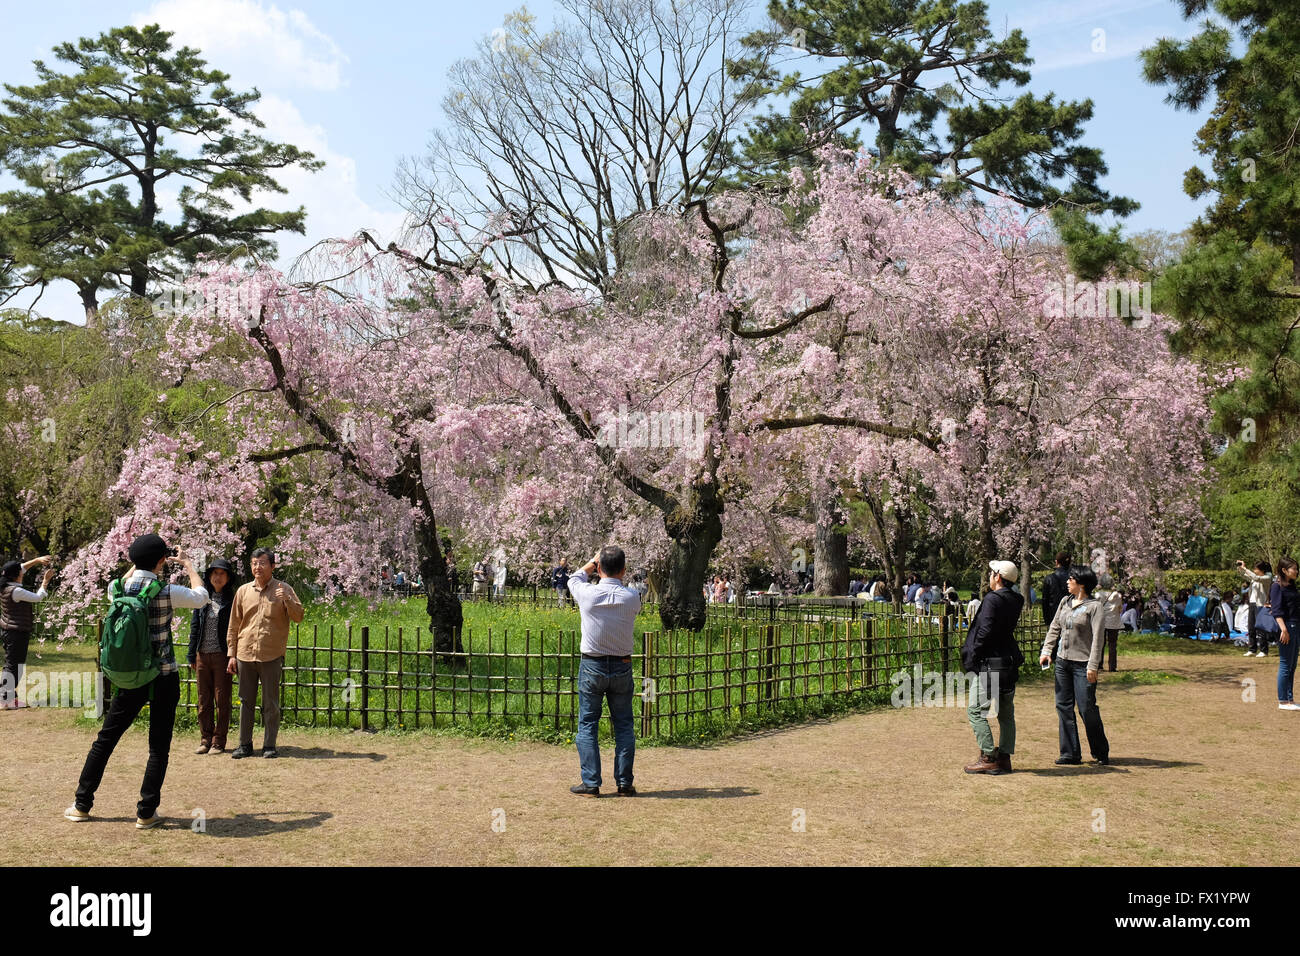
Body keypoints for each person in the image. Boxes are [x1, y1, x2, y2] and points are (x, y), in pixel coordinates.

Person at [64, 534, 208, 827]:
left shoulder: (116, 588)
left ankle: (82, 804)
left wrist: (139, 564)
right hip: (164, 675)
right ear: (160, 561)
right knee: (158, 746)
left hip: (130, 677)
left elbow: (128, 579)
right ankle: (146, 812)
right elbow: (201, 598)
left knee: (105, 739)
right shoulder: (167, 591)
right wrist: (189, 565)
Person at [567, 545, 642, 797]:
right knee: (623, 725)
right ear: (624, 570)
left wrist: (592, 562)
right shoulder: (632, 597)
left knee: (588, 724)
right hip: (622, 665)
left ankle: (591, 783)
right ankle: (624, 783)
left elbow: (573, 578)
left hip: (592, 665)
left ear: (599, 569)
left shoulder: (587, 594)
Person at [226, 548, 304, 759]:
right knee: (245, 701)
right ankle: (245, 744)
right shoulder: (243, 591)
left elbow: (298, 617)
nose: (257, 567)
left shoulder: (284, 589)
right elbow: (234, 624)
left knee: (271, 703)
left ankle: (269, 745)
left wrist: (287, 599)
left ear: (272, 566)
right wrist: (232, 654)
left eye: (262, 563)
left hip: (271, 654)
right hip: (245, 653)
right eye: (254, 563)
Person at [1039, 566, 1109, 765]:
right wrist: (1046, 651)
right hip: (1062, 662)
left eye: (1071, 579)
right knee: (1063, 706)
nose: (1067, 582)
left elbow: (1098, 639)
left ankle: (1100, 751)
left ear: (1082, 583)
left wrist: (1093, 665)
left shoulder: (1094, 607)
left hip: (1083, 664)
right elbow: (1054, 627)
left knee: (1086, 708)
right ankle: (1070, 753)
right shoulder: (1065, 602)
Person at [961, 560, 1025, 774]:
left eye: (991, 573)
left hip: (990, 662)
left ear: (998, 576)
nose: (989, 576)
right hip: (1008, 661)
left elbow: (985, 631)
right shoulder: (1017, 599)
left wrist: (973, 656)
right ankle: (1004, 757)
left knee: (975, 710)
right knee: (1006, 713)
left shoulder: (992, 599)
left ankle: (988, 755)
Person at [186, 558, 236, 754]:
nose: (217, 577)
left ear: (228, 577)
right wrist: (191, 655)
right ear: (209, 576)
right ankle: (205, 739)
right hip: (202, 655)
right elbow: (195, 626)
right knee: (203, 700)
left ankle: (218, 741)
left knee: (222, 700)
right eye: (214, 573)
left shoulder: (232, 599)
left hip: (222, 656)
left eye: (222, 573)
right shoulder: (202, 598)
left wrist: (234, 655)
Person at [1, 555, 55, 708]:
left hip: (8, 631)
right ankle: (6, 699)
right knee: (15, 666)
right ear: (16, 575)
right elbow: (38, 598)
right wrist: (45, 581)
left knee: (10, 664)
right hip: (16, 633)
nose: (23, 572)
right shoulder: (16, 591)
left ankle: (7, 696)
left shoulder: (5, 585)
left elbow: (22, 567)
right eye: (20, 571)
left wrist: (37, 560)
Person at [1270, 558, 1300, 711]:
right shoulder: (1277, 587)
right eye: (1293, 568)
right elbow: (1276, 610)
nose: (1296, 571)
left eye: (1296, 568)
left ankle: (1290, 699)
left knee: (1293, 665)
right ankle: (1283, 700)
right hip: (1286, 627)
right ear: (1284, 570)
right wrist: (1284, 629)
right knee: (1285, 664)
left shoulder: (1292, 586)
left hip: (1295, 626)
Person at [1237, 560, 1273, 658]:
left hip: (1261, 605)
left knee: (1260, 628)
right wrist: (1241, 568)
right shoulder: (1255, 578)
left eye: (1256, 568)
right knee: (1251, 627)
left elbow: (1256, 577)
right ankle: (1252, 649)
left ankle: (1264, 650)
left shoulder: (1267, 577)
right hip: (1252, 604)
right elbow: (1245, 576)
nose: (1254, 570)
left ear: (1261, 570)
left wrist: (1245, 569)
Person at [1097, 572, 1122, 672]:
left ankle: (1099, 665)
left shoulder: (1098, 595)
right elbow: (1120, 609)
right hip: (1114, 622)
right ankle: (1112, 667)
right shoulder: (1118, 595)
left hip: (1101, 621)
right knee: (1112, 645)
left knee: (1100, 644)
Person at [1041, 551, 1072, 627]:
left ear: (1056, 562)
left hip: (1054, 616)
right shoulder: (1075, 578)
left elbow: (1045, 601)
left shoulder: (1049, 579)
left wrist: (1047, 621)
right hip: (1071, 616)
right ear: (1070, 562)